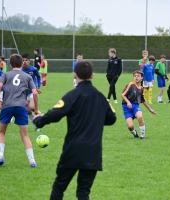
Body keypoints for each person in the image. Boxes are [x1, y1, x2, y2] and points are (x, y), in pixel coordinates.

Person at [32, 60, 116, 200]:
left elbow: (56, 114)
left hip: (73, 149)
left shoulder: (72, 95)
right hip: (93, 152)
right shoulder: (101, 97)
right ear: (92, 75)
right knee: (83, 192)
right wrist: (94, 119)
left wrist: (39, 120)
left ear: (74, 74)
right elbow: (111, 118)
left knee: (59, 186)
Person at [0, 54, 39, 167]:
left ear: (10, 64)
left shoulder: (6, 74)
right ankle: (32, 161)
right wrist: (36, 109)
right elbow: (35, 92)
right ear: (21, 63)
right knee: (25, 136)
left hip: (7, 106)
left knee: (1, 132)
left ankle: (0, 156)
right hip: (22, 107)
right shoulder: (27, 77)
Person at [121, 70, 156, 139]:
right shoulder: (131, 84)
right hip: (126, 107)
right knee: (130, 126)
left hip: (135, 106)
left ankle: (142, 136)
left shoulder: (141, 88)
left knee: (140, 117)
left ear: (141, 78)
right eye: (135, 76)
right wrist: (128, 102)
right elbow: (123, 95)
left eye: (138, 76)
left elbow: (143, 100)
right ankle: (135, 133)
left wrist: (150, 109)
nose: (136, 77)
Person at [21, 54, 41, 130]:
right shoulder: (20, 70)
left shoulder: (33, 69)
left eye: (26, 60)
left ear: (29, 61)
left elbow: (38, 77)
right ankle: (37, 125)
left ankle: (40, 115)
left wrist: (38, 86)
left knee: (32, 107)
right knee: (28, 111)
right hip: (23, 93)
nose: (24, 62)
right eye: (23, 60)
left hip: (32, 91)